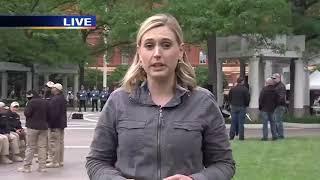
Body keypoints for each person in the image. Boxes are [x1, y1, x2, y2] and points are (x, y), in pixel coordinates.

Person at [86, 14, 235, 180]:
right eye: (149, 46)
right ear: (139, 53)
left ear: (180, 51)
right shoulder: (118, 101)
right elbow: (96, 162)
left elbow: (224, 164)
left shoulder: (203, 102)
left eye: (166, 45)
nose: (157, 53)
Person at [18, 90, 48, 173]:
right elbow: (49, 114)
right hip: (44, 127)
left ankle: (26, 167)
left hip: (32, 127)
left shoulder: (31, 102)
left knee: (30, 147)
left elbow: (27, 113)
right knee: (42, 147)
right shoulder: (45, 102)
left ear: (30, 96)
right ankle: (42, 167)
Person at [46, 83, 67, 168]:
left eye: (53, 88)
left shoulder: (55, 99)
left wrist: (50, 125)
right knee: (60, 143)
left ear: (56, 90)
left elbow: (54, 114)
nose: (51, 89)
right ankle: (60, 160)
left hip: (55, 124)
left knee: (54, 143)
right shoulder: (62, 98)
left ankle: (54, 162)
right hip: (61, 124)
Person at [271, 73, 286, 139]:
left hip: (279, 106)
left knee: (278, 121)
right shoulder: (276, 86)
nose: (273, 80)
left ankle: (280, 135)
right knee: (276, 121)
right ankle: (278, 134)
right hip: (277, 106)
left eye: (274, 78)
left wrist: (275, 103)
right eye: (272, 78)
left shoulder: (281, 86)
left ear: (278, 78)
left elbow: (281, 97)